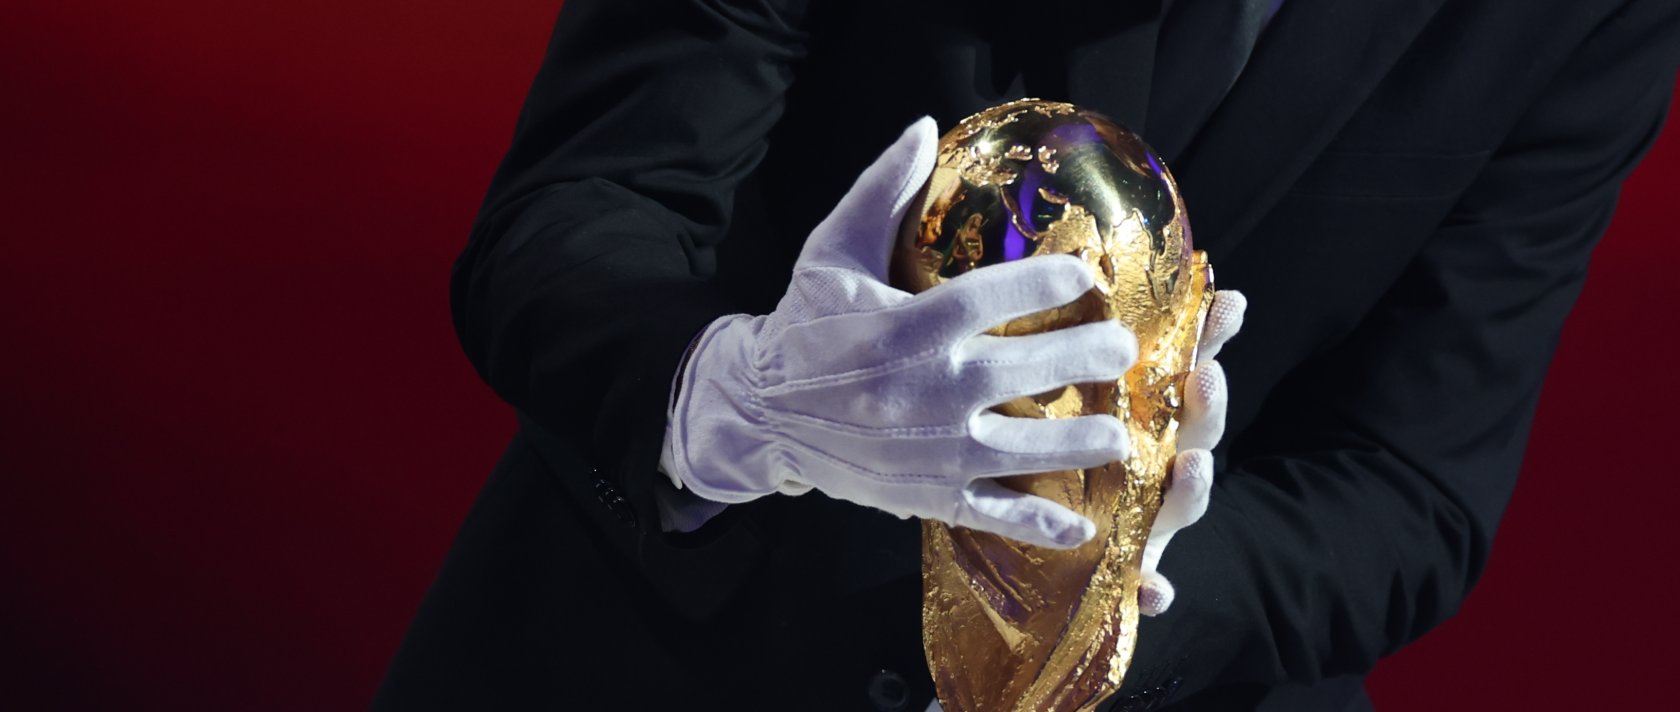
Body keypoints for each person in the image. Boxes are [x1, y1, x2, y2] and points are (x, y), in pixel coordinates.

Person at [374, 1, 1680, 710]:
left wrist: (1109, 596)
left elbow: (1413, 484)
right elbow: (574, 216)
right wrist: (745, 399)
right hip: (652, 647)